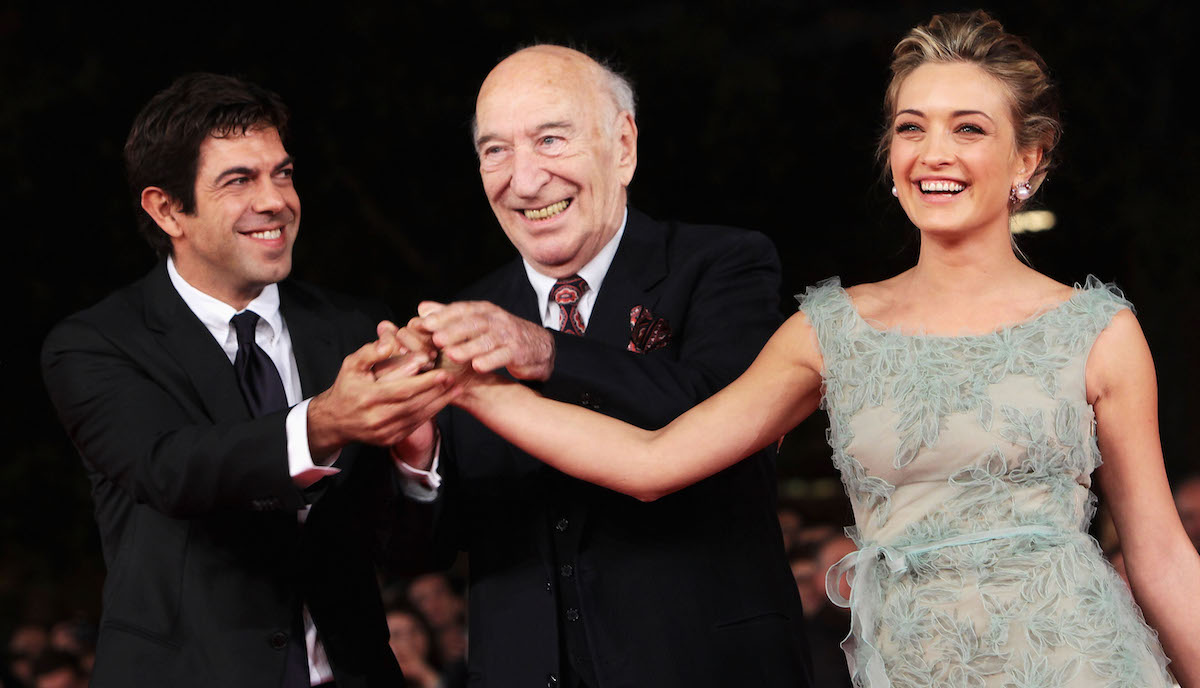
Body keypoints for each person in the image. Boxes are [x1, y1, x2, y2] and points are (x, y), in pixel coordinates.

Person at [423, 12, 1200, 687]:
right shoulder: (829, 330)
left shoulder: (1097, 330)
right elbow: (651, 462)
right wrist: (473, 390)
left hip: (1080, 666)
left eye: (969, 127)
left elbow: (1162, 557)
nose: (934, 152)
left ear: (1029, 159)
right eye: (910, 127)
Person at [392, 44, 811, 687]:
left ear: (623, 146)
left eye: (551, 140)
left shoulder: (722, 263)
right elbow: (427, 551)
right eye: (495, 150)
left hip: (705, 667)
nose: (524, 180)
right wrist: (416, 459)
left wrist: (548, 351)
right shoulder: (464, 321)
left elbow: (723, 420)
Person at [41, 73, 454, 688]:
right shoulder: (96, 344)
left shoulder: (349, 330)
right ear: (166, 209)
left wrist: (415, 464)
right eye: (240, 180)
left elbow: (407, 556)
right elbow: (170, 468)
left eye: (282, 173)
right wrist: (325, 423)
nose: (276, 200)